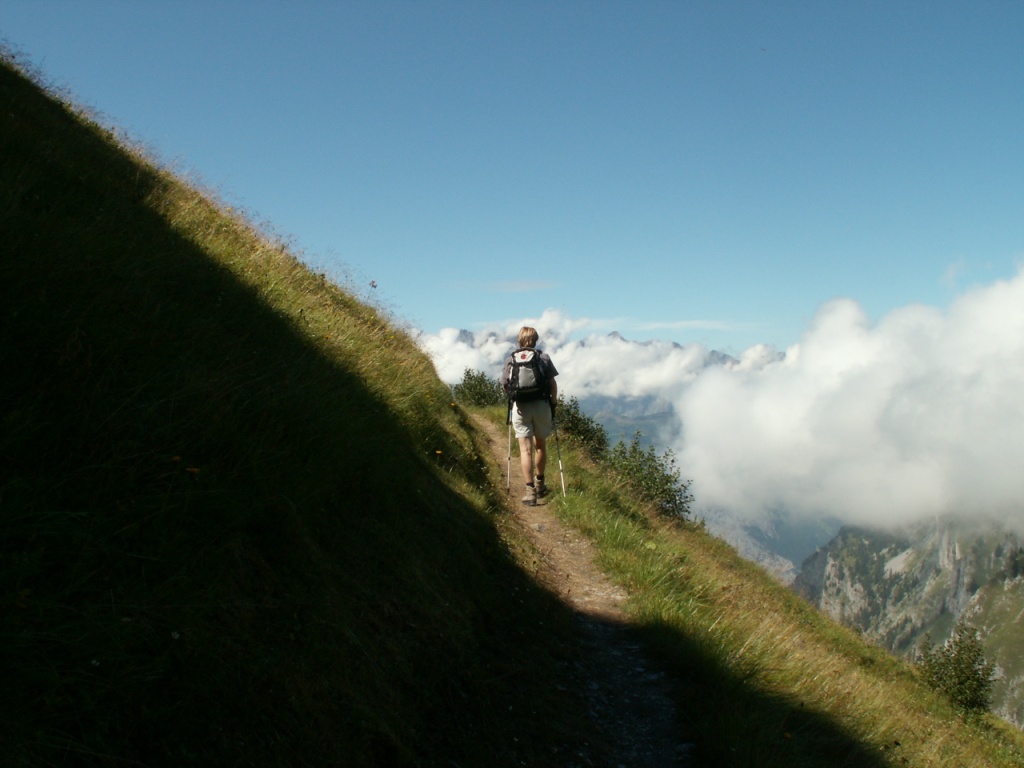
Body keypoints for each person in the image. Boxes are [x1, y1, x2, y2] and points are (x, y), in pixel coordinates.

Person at [501, 326, 559, 506]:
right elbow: (552, 383)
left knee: (525, 450)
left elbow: (505, 385)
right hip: (541, 405)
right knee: (540, 446)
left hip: (520, 408)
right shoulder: (543, 357)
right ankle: (540, 483)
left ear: (519, 340)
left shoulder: (511, 359)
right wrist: (553, 403)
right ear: (535, 340)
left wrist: (515, 397)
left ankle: (529, 491)